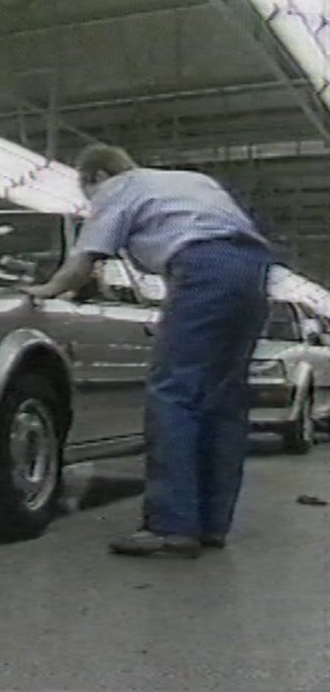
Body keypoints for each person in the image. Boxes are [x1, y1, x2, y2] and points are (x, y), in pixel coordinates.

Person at [22, 144, 273, 558]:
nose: (89, 199)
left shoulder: (117, 188)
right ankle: (210, 524)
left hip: (202, 271)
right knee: (223, 401)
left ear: (97, 177)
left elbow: (84, 260)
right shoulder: (189, 181)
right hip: (252, 272)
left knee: (173, 394)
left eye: (86, 190)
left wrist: (46, 289)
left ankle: (172, 526)